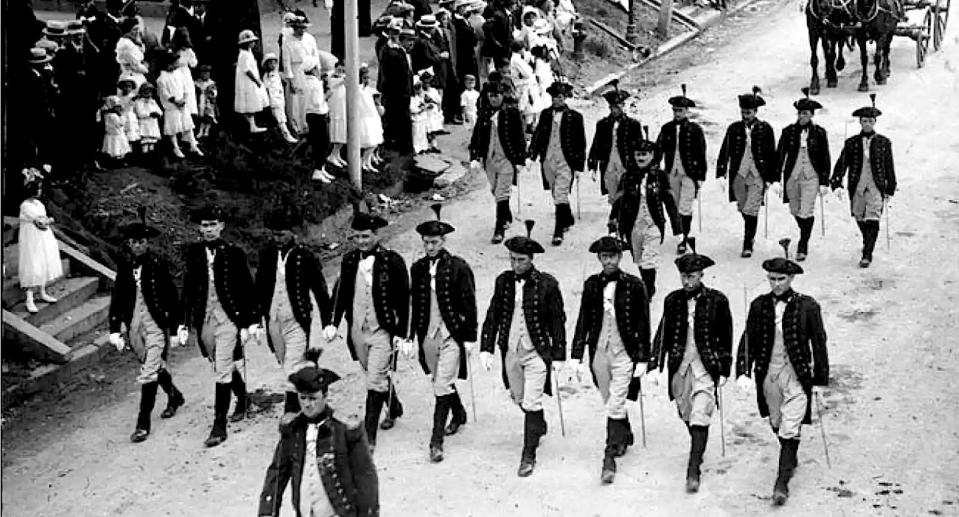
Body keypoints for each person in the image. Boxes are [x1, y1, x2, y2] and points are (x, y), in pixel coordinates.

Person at [735, 257, 828, 506]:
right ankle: (791, 453)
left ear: (791, 279)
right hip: (768, 374)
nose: (776, 284)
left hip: (796, 374)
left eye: (781, 279)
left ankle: (781, 482)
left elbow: (819, 342)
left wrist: (820, 379)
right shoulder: (758, 306)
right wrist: (742, 370)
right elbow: (748, 339)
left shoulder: (808, 306)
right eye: (772, 279)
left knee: (790, 425)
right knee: (776, 421)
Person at [479, 225, 566, 477]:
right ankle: (538, 424)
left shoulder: (547, 284)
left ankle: (528, 455)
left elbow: (558, 321)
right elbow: (493, 314)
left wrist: (559, 355)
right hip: (510, 351)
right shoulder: (503, 282)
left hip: (536, 351)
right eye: (513, 259)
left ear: (531, 260)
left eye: (522, 260)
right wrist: (486, 346)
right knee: (519, 398)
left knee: (532, 400)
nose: (516, 265)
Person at [324, 212, 410, 451]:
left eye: (366, 236)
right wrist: (332, 320)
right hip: (357, 330)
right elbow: (341, 292)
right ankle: (394, 407)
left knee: (373, 380)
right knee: (372, 372)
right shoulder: (349, 260)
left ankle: (368, 436)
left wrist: (402, 333)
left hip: (382, 328)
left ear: (376, 235)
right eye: (357, 237)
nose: (361, 241)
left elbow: (404, 300)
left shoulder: (392, 261)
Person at [650, 251, 733, 493]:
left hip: (705, 366)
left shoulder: (718, 300)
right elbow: (663, 333)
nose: (688, 282)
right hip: (680, 366)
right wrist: (655, 364)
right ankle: (699, 445)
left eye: (692, 276)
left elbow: (726, 336)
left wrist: (725, 367)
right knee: (686, 412)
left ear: (701, 275)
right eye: (684, 277)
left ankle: (693, 467)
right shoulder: (672, 300)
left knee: (700, 413)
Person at [177, 204, 259, 447]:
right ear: (199, 228)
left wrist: (251, 322)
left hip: (229, 318)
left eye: (213, 224)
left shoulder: (234, 252)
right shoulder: (193, 252)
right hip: (205, 320)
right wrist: (182, 323)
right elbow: (189, 289)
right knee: (218, 362)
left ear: (222, 226)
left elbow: (247, 288)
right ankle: (243, 397)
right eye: (205, 225)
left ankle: (219, 425)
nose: (209, 229)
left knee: (222, 367)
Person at [570, 236, 650, 484]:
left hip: (624, 351)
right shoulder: (592, 284)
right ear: (599, 259)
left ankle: (608, 458)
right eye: (604, 257)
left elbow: (643, 323)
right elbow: (583, 319)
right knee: (609, 399)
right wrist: (576, 354)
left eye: (613, 256)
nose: (609, 261)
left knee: (615, 403)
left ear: (620, 257)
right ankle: (624, 433)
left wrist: (643, 358)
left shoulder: (635, 285)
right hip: (599, 353)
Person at [405, 206, 478, 463]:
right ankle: (458, 414)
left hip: (451, 335)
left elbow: (469, 303)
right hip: (428, 335)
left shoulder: (458, 267)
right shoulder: (417, 269)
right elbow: (413, 305)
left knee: (440, 385)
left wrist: (470, 337)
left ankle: (436, 442)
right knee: (440, 381)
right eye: (426, 243)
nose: (430, 247)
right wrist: (407, 336)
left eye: (434, 242)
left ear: (443, 241)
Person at [258, 365, 380, 517]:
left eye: (313, 398)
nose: (307, 404)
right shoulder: (292, 429)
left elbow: (365, 477)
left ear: (325, 395)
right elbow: (277, 473)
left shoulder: (344, 430)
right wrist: (267, 510)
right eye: (302, 398)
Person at [109, 217, 185, 443]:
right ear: (129, 244)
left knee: (149, 372)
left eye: (142, 241)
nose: (138, 245)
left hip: (156, 325)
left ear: (147, 242)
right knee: (152, 365)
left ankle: (143, 423)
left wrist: (176, 326)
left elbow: (172, 295)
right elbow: (118, 296)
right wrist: (115, 327)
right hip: (135, 326)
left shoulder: (157, 263)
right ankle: (175, 396)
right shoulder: (124, 266)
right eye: (134, 242)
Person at [254, 206, 333, 419]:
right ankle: (311, 371)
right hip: (273, 319)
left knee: (291, 365)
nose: (277, 238)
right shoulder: (267, 254)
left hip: (297, 319)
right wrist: (255, 320)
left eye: (281, 234)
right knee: (284, 361)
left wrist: (328, 321)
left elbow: (320, 288)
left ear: (293, 233)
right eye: (274, 234)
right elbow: (259, 287)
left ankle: (290, 413)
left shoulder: (304, 256)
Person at [610, 127, 681, 298]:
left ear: (652, 156)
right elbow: (618, 203)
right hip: (632, 225)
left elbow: (670, 204)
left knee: (650, 257)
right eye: (638, 154)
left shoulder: (661, 177)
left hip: (654, 224)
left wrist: (678, 230)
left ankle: (648, 289)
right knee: (640, 258)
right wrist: (613, 225)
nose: (641, 158)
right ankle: (646, 283)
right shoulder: (627, 177)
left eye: (645, 154)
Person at [830, 94, 896, 268]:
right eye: (864, 121)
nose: (867, 124)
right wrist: (836, 182)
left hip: (875, 186)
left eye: (870, 121)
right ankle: (868, 241)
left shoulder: (883, 143)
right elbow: (842, 163)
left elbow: (889, 166)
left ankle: (867, 253)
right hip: (857, 185)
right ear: (860, 122)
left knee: (873, 217)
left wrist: (890, 188)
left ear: (875, 122)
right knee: (859, 216)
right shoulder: (851, 143)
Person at [716, 87, 777, 258]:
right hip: (739, 174)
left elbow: (772, 154)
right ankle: (750, 231)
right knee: (743, 207)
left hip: (758, 174)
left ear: (756, 111)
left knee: (752, 209)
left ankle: (748, 241)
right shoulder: (734, 128)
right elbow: (725, 151)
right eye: (743, 112)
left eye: (749, 112)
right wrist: (721, 173)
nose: (745, 115)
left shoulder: (766, 129)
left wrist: (772, 177)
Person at [528, 80, 586, 246]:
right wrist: (531, 156)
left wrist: (579, 166)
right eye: (554, 97)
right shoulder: (546, 114)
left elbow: (580, 143)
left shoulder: (575, 117)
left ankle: (558, 229)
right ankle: (567, 217)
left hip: (565, 160)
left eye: (560, 97)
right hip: (548, 160)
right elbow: (538, 135)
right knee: (555, 193)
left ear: (565, 98)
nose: (557, 100)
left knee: (560, 193)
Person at [776, 88, 831, 262]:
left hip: (811, 176)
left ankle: (803, 244)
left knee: (806, 210)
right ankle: (803, 231)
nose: (802, 116)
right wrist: (775, 178)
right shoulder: (788, 132)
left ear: (812, 115)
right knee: (795, 210)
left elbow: (825, 157)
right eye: (800, 113)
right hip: (792, 175)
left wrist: (824, 181)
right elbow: (780, 155)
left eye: (805, 113)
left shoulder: (819, 133)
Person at [469, 83, 527, 243]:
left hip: (507, 159)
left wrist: (521, 160)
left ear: (503, 96)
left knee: (502, 192)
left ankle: (499, 228)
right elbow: (476, 136)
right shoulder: (483, 114)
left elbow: (520, 137)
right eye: (491, 95)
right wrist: (474, 156)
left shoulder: (512, 113)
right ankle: (506, 214)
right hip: (489, 159)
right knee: (495, 191)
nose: (494, 98)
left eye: (497, 95)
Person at [656, 84, 707, 254]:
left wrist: (701, 176)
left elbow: (701, 153)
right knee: (675, 206)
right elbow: (658, 149)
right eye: (675, 110)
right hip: (671, 172)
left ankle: (684, 238)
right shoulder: (667, 128)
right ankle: (680, 235)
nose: (677, 114)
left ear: (687, 111)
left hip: (689, 174)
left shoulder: (695, 130)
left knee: (685, 207)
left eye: (680, 110)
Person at [588, 88, 642, 234]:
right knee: (613, 194)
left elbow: (639, 147)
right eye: (613, 107)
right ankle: (616, 219)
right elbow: (596, 145)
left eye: (619, 106)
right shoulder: (603, 124)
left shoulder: (633, 125)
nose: (616, 109)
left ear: (624, 106)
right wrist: (592, 165)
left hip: (626, 165)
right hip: (608, 165)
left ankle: (616, 221)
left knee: (624, 193)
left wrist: (641, 167)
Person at [17, 176, 62, 314]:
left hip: (43, 236)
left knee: (44, 261)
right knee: (33, 264)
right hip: (31, 238)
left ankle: (42, 291)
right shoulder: (25, 205)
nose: (40, 191)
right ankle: (29, 298)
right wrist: (48, 220)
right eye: (38, 188)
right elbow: (40, 221)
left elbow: (43, 220)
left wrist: (47, 220)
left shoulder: (39, 204)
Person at [378, 24, 415, 154]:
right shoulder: (392, 52)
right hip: (397, 93)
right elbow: (395, 76)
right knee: (399, 119)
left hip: (404, 92)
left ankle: (401, 144)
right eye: (408, 41)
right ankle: (402, 146)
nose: (411, 44)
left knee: (401, 119)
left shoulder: (402, 52)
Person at [157, 51, 202, 158]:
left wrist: (184, 100)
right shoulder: (161, 78)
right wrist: (176, 101)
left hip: (182, 104)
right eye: (175, 62)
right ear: (168, 64)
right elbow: (164, 93)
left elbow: (185, 88)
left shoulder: (179, 74)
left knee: (188, 125)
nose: (177, 64)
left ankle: (193, 145)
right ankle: (175, 147)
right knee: (173, 127)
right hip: (171, 106)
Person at [282, 14, 319, 135]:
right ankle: (296, 126)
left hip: (309, 69)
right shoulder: (287, 41)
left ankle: (308, 124)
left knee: (309, 98)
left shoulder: (310, 39)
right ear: (293, 28)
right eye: (299, 28)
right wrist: (290, 79)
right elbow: (286, 62)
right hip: (296, 71)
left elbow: (315, 55)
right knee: (296, 100)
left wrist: (317, 70)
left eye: (303, 28)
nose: (301, 30)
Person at [302, 56, 336, 184]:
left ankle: (321, 169)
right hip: (318, 115)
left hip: (311, 114)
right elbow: (317, 101)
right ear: (313, 69)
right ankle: (317, 170)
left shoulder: (306, 81)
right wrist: (326, 96)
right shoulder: (314, 83)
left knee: (319, 142)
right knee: (322, 143)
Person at [234, 29, 269, 134]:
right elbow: (247, 70)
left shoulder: (248, 53)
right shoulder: (244, 55)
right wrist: (256, 80)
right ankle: (252, 125)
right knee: (250, 102)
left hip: (250, 80)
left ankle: (251, 124)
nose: (253, 43)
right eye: (251, 42)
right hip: (247, 82)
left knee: (252, 101)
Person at [261, 54, 297, 143]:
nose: (273, 65)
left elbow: (283, 80)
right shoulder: (267, 76)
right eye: (270, 64)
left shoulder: (277, 74)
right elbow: (266, 88)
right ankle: (286, 134)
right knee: (280, 118)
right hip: (274, 99)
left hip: (280, 98)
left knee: (282, 116)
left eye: (274, 63)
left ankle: (283, 133)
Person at [358, 64, 385, 172]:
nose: (367, 79)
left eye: (368, 77)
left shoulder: (368, 89)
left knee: (375, 142)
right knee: (370, 142)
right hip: (364, 117)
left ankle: (367, 162)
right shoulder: (358, 89)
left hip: (372, 116)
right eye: (364, 77)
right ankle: (362, 162)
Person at [170, 27, 199, 121]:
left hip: (182, 73)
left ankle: (187, 117)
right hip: (179, 73)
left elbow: (194, 64)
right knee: (181, 93)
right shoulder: (175, 51)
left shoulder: (184, 50)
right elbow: (193, 64)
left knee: (186, 93)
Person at [327, 61, 349, 167]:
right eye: (339, 69)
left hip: (342, 109)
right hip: (335, 109)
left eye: (342, 70)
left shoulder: (343, 78)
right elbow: (334, 83)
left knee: (342, 133)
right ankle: (333, 155)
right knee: (337, 133)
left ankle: (337, 155)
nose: (340, 72)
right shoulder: (331, 78)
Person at [100, 95, 131, 164]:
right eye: (117, 107)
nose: (118, 109)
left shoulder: (108, 114)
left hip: (116, 134)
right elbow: (120, 123)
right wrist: (121, 116)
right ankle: (115, 161)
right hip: (115, 134)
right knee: (115, 147)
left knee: (118, 147)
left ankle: (118, 160)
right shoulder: (113, 116)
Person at [116, 74, 141, 155]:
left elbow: (135, 108)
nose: (127, 88)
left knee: (132, 135)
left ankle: (131, 153)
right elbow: (122, 107)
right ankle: (125, 152)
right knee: (124, 136)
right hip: (123, 116)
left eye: (129, 86)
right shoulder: (119, 97)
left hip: (131, 117)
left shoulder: (133, 97)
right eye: (125, 86)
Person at [135, 83, 163, 155]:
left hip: (152, 124)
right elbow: (140, 113)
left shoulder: (153, 102)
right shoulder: (139, 102)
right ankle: (145, 156)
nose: (148, 93)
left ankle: (151, 156)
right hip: (144, 124)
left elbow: (160, 111)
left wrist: (158, 114)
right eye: (146, 91)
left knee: (152, 143)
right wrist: (149, 114)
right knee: (145, 143)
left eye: (150, 91)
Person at [194, 64, 219, 140]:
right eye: (203, 73)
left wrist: (212, 95)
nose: (205, 75)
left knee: (208, 116)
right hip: (200, 102)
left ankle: (207, 130)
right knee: (202, 116)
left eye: (207, 73)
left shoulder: (211, 83)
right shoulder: (197, 82)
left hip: (208, 102)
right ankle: (201, 130)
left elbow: (214, 92)